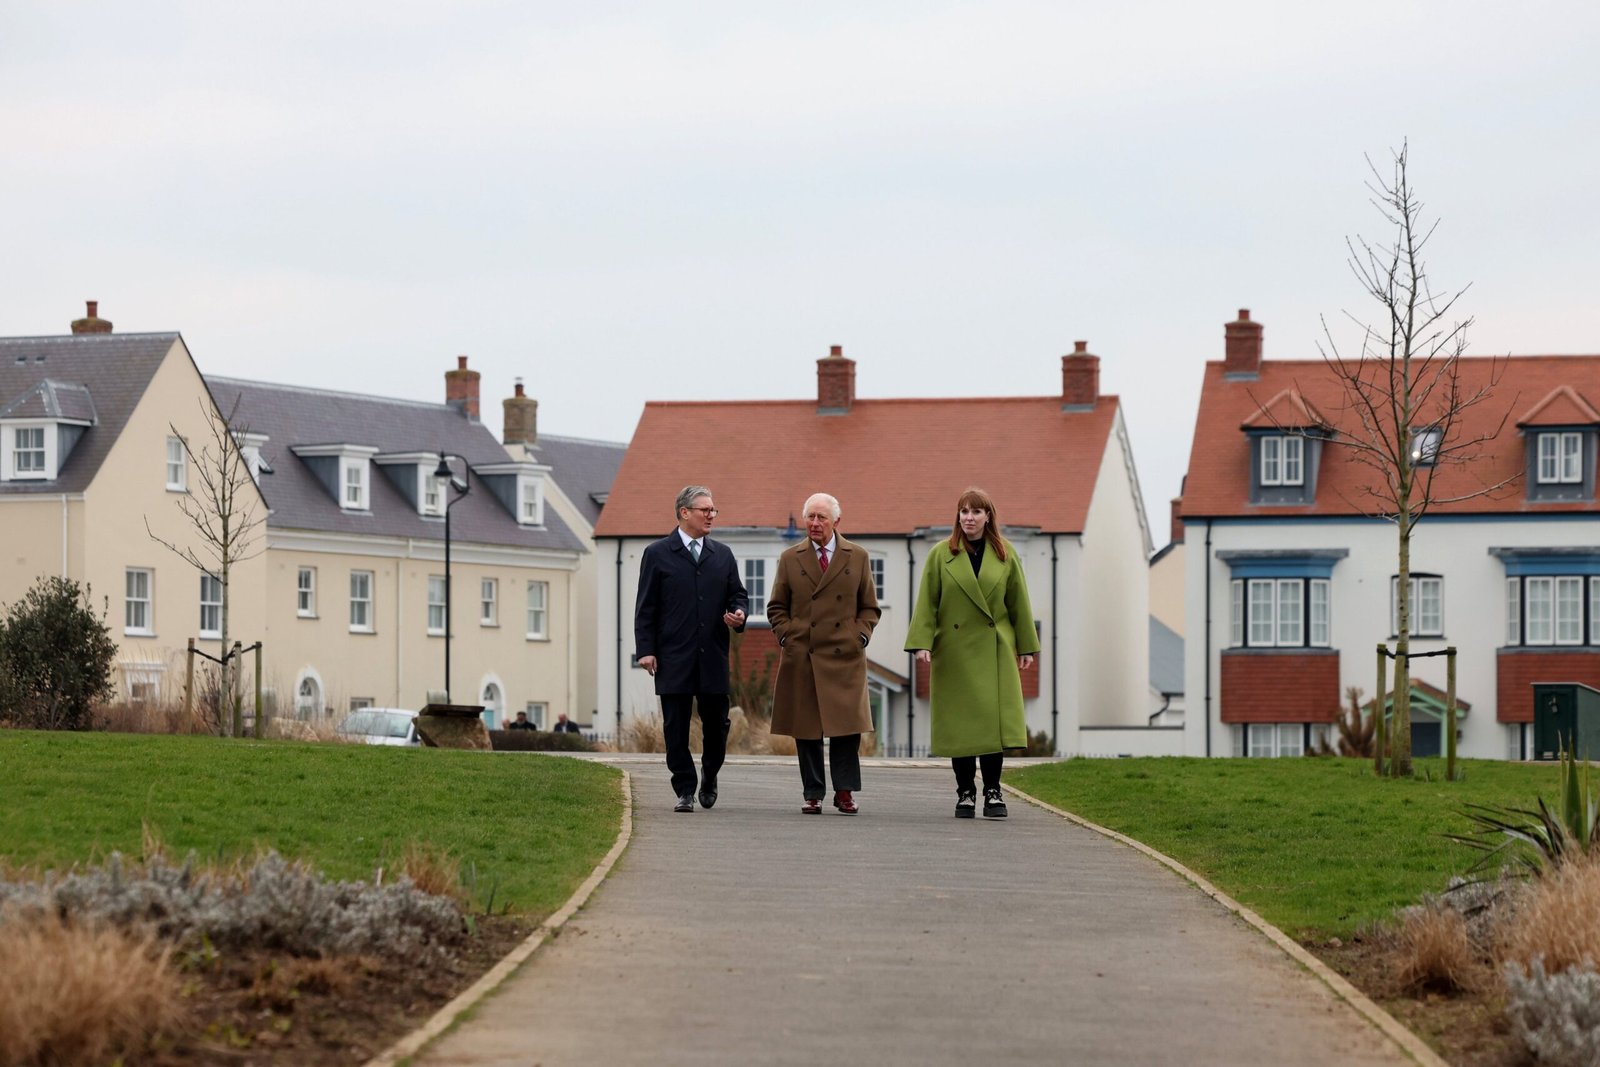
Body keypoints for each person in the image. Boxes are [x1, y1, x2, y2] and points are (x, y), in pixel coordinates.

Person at [905, 487, 1038, 819]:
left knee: (991, 727)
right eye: (964, 511)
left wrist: (1026, 646)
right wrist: (922, 642)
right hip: (954, 650)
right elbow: (927, 602)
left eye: (976, 512)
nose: (969, 518)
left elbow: (1019, 603)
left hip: (995, 650)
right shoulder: (940, 554)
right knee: (960, 727)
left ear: (988, 516)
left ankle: (993, 792)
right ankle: (965, 792)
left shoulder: (1005, 554)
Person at [635, 485, 749, 813]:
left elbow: (738, 595)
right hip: (673, 657)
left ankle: (710, 774)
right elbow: (645, 607)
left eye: (713, 510)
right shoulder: (657, 553)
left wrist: (739, 614)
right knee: (676, 727)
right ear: (685, 513)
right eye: (705, 510)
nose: (711, 515)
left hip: (712, 654)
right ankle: (684, 787)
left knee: (717, 725)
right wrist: (646, 649)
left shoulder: (723, 555)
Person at [768, 493, 880, 815]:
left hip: (844, 654)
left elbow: (869, 606)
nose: (815, 524)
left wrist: (860, 634)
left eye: (821, 518)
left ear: (836, 522)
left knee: (846, 729)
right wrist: (787, 634)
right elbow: (776, 606)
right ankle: (813, 792)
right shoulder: (791, 557)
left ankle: (844, 792)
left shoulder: (857, 556)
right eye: (810, 518)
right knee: (806, 729)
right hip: (803, 652)